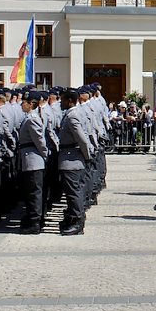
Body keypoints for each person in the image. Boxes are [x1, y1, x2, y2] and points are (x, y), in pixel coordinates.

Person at [58, 89, 92, 236]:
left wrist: (87, 156)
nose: (61, 103)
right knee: (72, 191)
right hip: (70, 156)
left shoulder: (72, 116)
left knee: (73, 192)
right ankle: (73, 218)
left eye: (63, 100)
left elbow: (82, 139)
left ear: (70, 101)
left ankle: (78, 222)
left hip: (72, 158)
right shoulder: (73, 113)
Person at [17, 90, 48, 235]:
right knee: (31, 191)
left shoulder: (32, 119)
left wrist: (45, 154)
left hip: (33, 159)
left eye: (24, 102)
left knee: (34, 192)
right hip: (29, 157)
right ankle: (33, 219)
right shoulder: (28, 117)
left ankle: (35, 222)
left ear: (31, 104)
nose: (22, 104)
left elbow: (40, 141)